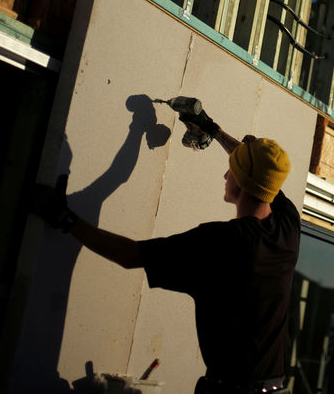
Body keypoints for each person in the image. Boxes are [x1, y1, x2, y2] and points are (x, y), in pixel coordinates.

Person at [33, 109, 300, 394]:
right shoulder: (288, 228)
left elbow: (131, 255)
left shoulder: (221, 243)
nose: (225, 173)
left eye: (231, 169)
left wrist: (65, 218)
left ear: (242, 181)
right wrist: (214, 130)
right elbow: (262, 171)